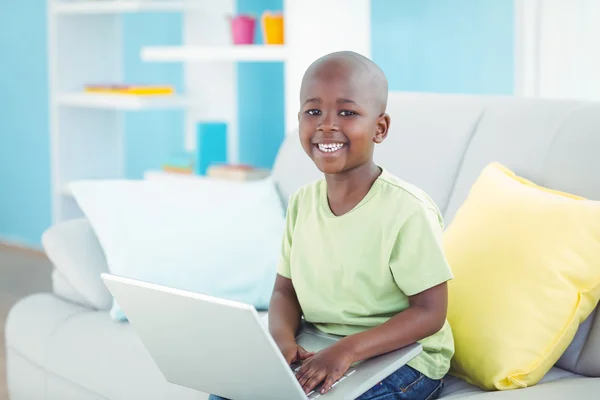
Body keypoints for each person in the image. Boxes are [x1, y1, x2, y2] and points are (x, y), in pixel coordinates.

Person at [210, 51, 454, 400]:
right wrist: (282, 342)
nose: (327, 124)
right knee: (226, 393)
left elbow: (430, 313)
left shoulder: (407, 210)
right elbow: (284, 292)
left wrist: (347, 351)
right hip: (318, 345)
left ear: (379, 128)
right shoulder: (301, 203)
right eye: (313, 112)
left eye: (347, 112)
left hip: (404, 359)